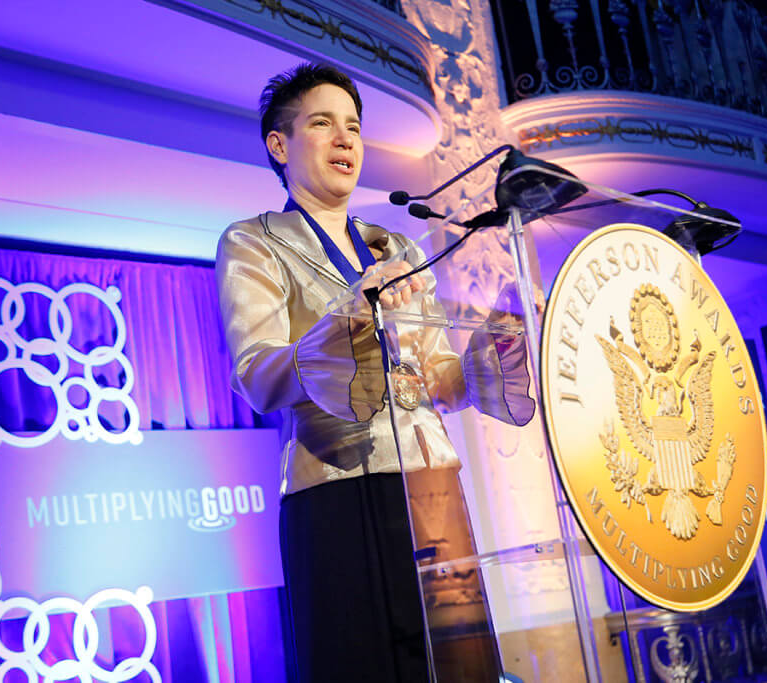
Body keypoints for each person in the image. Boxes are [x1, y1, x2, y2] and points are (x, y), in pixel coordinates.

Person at [215, 63, 533, 682]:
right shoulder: (254, 241)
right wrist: (348, 316)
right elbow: (257, 375)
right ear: (279, 145)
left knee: (460, 664)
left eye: (354, 127)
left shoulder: (400, 247)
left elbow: (437, 377)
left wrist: (488, 353)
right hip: (334, 484)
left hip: (430, 479)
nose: (345, 140)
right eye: (322, 124)